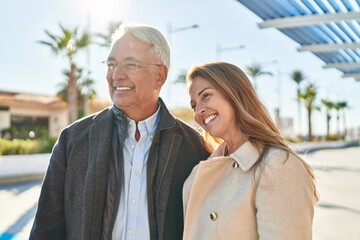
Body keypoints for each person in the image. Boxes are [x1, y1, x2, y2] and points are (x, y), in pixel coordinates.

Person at [30, 23, 209, 240]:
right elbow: (45, 230)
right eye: (112, 64)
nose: (117, 74)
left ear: (160, 75)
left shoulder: (194, 147)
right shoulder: (73, 140)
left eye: (130, 64)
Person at [182, 62, 318, 240]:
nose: (199, 110)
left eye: (206, 96)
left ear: (234, 93)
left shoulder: (278, 166)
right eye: (193, 105)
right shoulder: (200, 172)